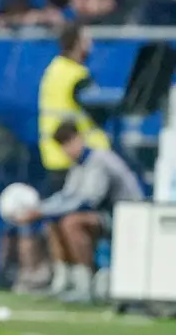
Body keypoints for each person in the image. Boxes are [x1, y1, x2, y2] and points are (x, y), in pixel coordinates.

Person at [16, 120, 143, 300]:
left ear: (79, 139)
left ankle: (87, 282)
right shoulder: (78, 165)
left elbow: (88, 201)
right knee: (53, 221)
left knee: (72, 222)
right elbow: (66, 196)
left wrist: (42, 211)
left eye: (68, 143)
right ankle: (65, 280)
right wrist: (40, 209)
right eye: (62, 146)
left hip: (127, 218)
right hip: (106, 216)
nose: (67, 150)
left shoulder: (99, 160)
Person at [37, 22, 111, 292]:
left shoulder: (52, 72)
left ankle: (63, 276)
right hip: (78, 158)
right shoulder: (78, 76)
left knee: (54, 218)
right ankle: (85, 277)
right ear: (77, 43)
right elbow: (98, 112)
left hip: (52, 155)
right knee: (73, 218)